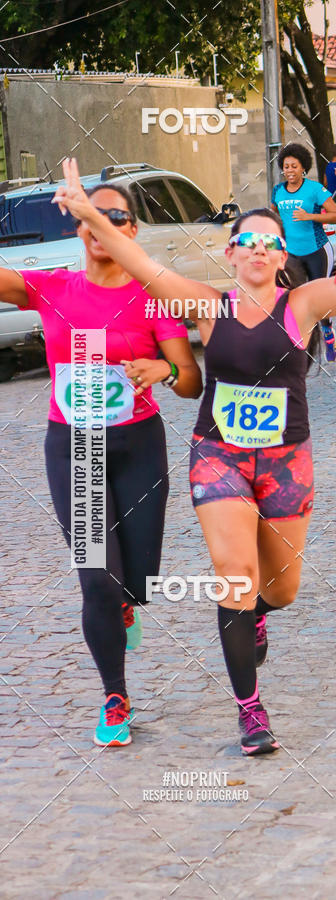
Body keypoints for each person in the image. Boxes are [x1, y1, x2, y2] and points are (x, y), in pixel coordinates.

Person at [53, 158, 336, 756]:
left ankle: (260, 613)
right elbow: (142, 265)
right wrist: (91, 214)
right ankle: (249, 708)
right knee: (235, 577)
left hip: (287, 461)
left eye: (271, 242)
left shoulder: (305, 303)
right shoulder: (207, 307)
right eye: (249, 241)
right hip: (218, 458)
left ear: (281, 256)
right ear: (231, 253)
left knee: (282, 588)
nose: (260, 250)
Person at [0, 179, 203, 748]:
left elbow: (192, 383)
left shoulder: (154, 298)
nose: (99, 225)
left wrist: (164, 370)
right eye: (89, 215)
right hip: (77, 447)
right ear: (77, 226)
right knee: (97, 579)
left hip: (139, 445)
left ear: (130, 230)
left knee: (136, 578)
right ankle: (114, 696)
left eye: (113, 215)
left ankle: (129, 603)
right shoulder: (53, 288)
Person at [271, 142, 336, 362]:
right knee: (297, 299)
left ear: (303, 168)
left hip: (317, 250)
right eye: (286, 166)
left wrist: (310, 216)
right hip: (291, 254)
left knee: (319, 298)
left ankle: (328, 331)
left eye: (294, 166)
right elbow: (275, 215)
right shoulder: (278, 192)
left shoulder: (315, 189)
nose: (290, 170)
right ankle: (302, 344)